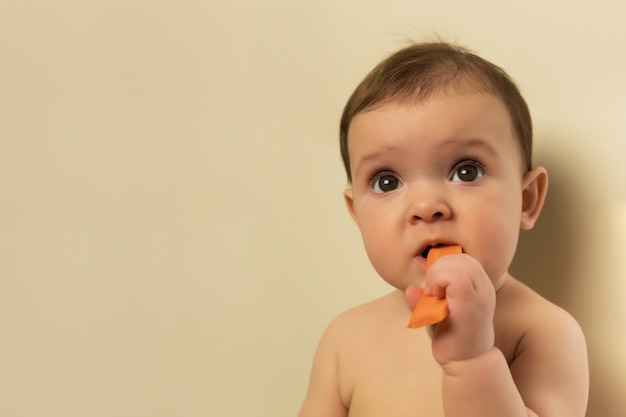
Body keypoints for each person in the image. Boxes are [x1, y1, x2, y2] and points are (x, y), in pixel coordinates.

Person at [298, 41, 588, 417]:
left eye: (466, 171)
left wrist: (473, 359)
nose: (426, 207)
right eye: (387, 182)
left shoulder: (545, 332)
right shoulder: (344, 339)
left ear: (527, 200)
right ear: (357, 215)